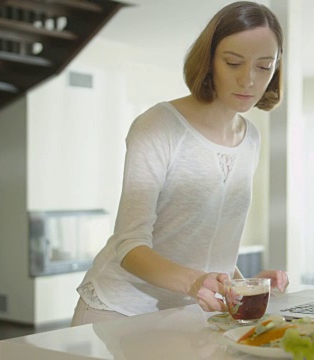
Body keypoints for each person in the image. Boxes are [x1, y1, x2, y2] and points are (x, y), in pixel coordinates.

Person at [71, 1, 289, 326]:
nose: (248, 80)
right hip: (117, 310)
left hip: (186, 313)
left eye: (263, 66)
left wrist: (242, 285)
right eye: (233, 63)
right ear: (210, 61)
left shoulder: (251, 139)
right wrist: (194, 282)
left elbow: (210, 240)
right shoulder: (159, 126)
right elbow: (129, 245)